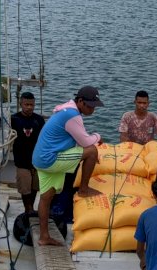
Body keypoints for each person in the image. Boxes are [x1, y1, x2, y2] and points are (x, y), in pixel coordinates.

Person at [32, 86, 104, 246]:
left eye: (94, 106)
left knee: (46, 197)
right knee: (92, 151)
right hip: (51, 159)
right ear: (80, 101)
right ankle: (84, 189)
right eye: (90, 106)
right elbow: (86, 142)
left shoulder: (65, 110)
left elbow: (77, 138)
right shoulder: (73, 115)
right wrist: (98, 136)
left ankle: (44, 237)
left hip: (40, 159)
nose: (93, 110)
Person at [11, 92, 45, 214]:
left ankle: (30, 209)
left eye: (32, 104)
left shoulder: (39, 120)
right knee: (25, 188)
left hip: (36, 160)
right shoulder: (14, 119)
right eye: (26, 104)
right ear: (21, 104)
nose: (29, 107)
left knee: (35, 186)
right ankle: (28, 209)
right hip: (21, 161)